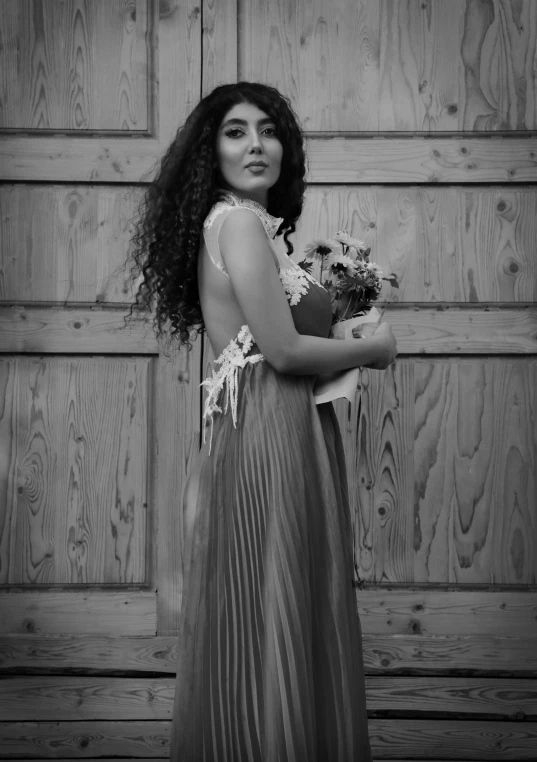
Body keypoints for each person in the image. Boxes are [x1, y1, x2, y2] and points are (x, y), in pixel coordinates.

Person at [127, 81, 397, 761]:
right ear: (208, 151)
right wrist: (374, 348)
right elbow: (280, 352)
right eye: (235, 131)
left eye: (269, 129)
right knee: (275, 599)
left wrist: (343, 296)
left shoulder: (244, 227)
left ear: (287, 147)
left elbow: (270, 337)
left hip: (266, 429)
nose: (255, 144)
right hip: (269, 434)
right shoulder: (239, 224)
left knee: (266, 604)